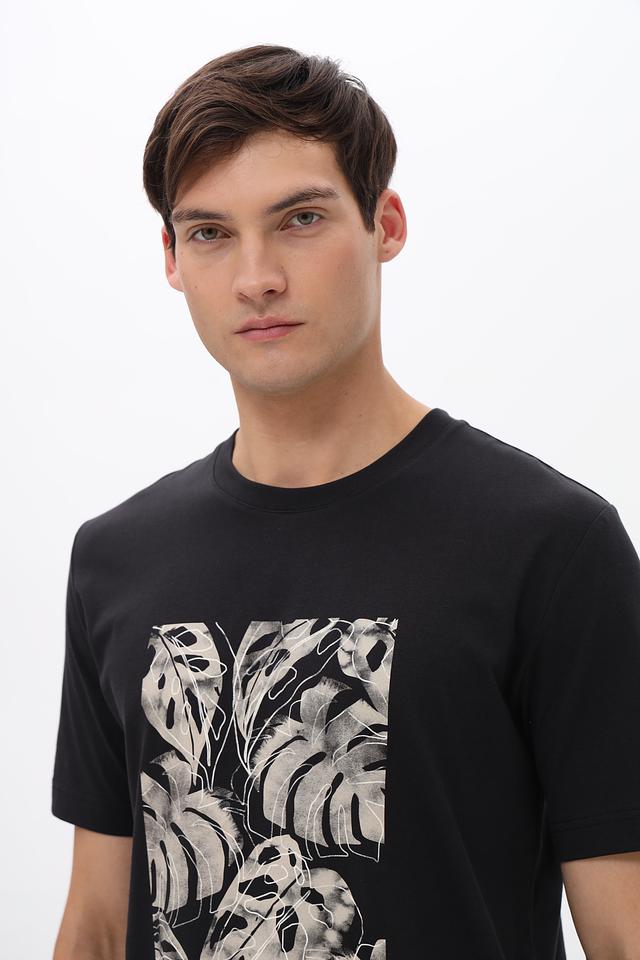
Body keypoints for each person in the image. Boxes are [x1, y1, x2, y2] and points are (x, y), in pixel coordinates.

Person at [51, 43, 640, 960]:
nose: (256, 277)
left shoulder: (551, 544)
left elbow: (624, 928)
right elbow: (95, 923)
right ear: (170, 258)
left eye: (300, 219)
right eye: (209, 233)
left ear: (385, 224)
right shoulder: (117, 558)